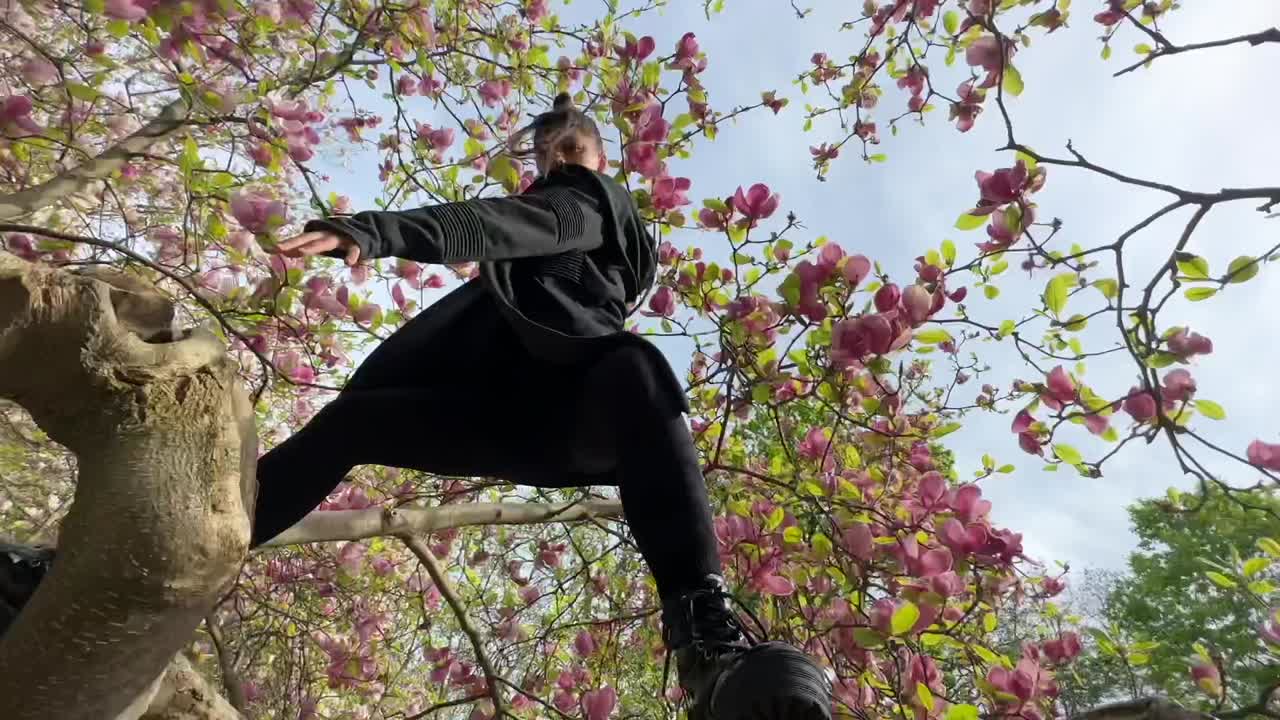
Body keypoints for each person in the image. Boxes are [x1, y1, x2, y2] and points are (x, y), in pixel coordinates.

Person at [1, 94, 831, 719]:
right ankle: (72, 569)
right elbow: (511, 230)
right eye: (550, 150)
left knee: (636, 372)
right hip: (508, 410)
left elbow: (500, 224)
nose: (560, 160)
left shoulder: (591, 201)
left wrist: (377, 230)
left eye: (573, 148)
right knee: (357, 424)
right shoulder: (561, 219)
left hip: (572, 398)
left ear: (599, 156)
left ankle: (709, 646)